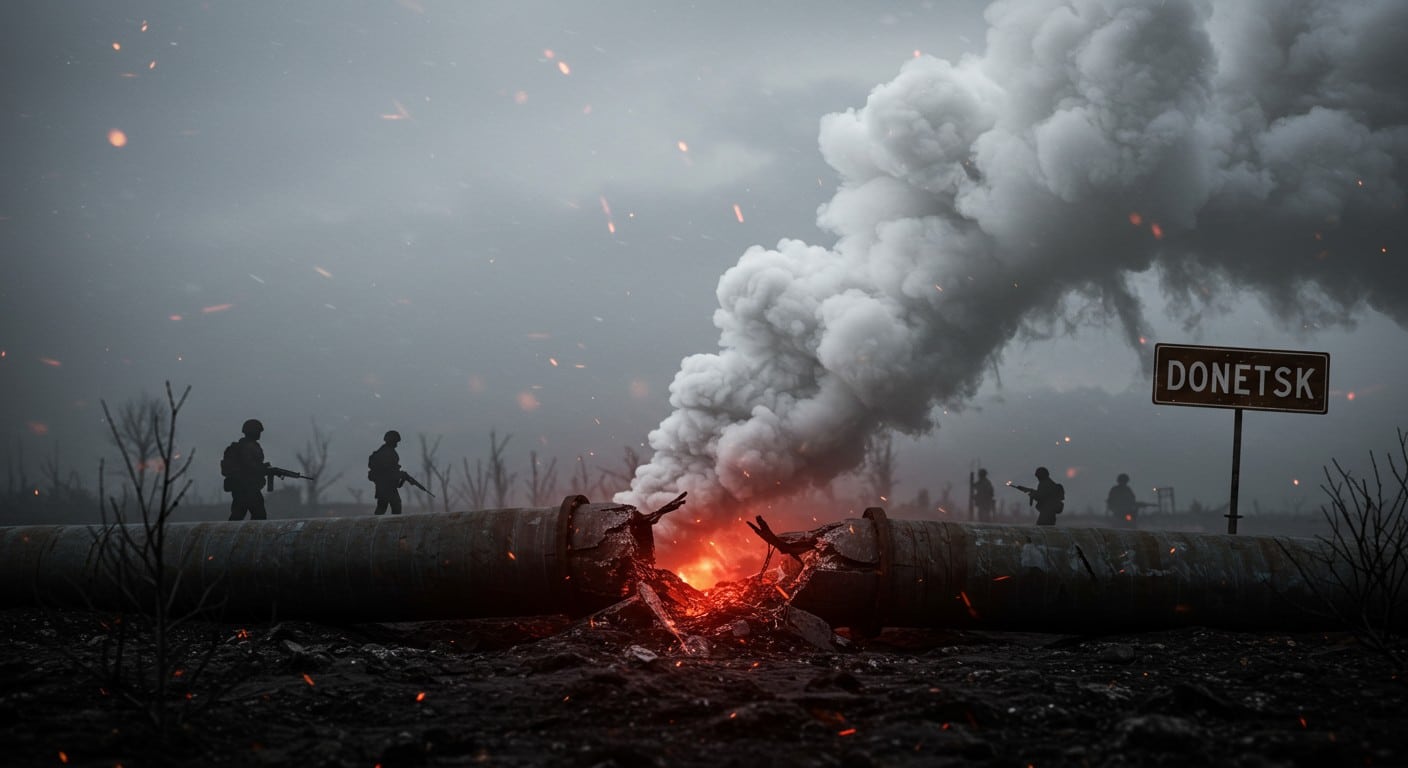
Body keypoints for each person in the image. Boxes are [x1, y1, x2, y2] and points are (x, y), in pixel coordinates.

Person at [223, 419, 268, 521]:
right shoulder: (246, 447)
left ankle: (232, 533)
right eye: (258, 431)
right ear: (252, 432)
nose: (259, 434)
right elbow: (250, 466)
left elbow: (252, 465)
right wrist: (263, 469)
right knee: (258, 515)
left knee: (239, 514)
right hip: (246, 487)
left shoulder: (249, 446)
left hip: (245, 487)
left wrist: (264, 468)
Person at [369, 430, 404, 515]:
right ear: (391, 441)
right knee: (394, 505)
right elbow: (388, 470)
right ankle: (394, 524)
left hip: (386, 485)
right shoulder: (386, 452)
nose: (396, 444)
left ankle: (375, 524)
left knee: (383, 506)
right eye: (395, 442)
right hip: (386, 485)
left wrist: (401, 477)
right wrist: (399, 475)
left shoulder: (386, 451)